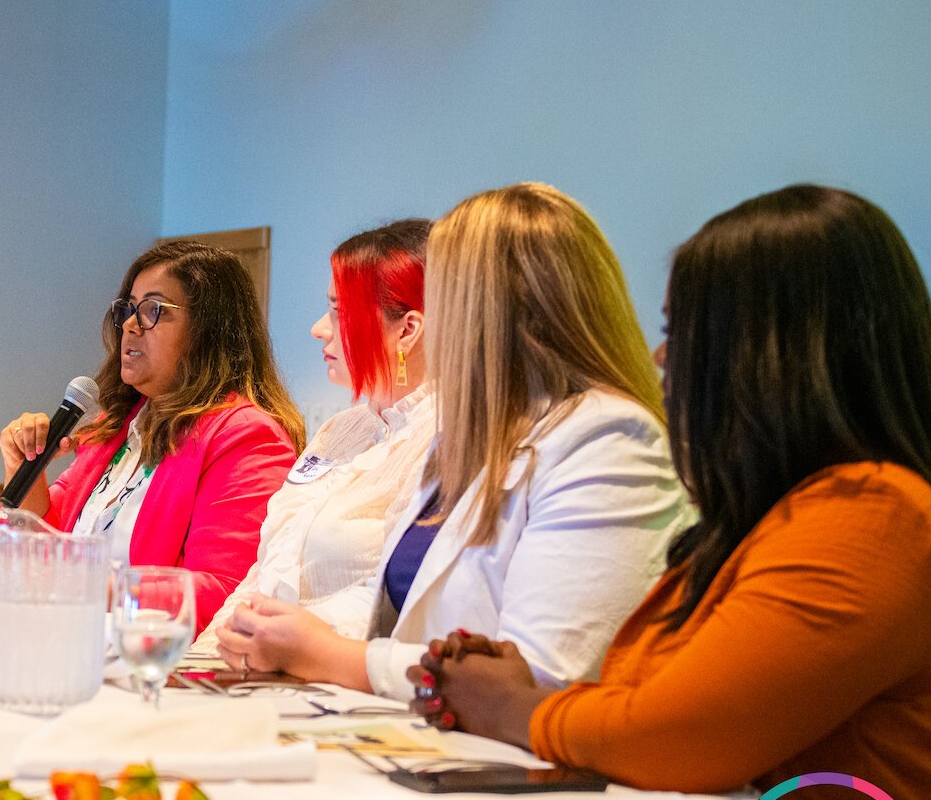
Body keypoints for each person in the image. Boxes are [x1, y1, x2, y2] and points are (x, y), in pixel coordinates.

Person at [411, 185, 931, 800]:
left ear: (767, 348)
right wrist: (527, 687)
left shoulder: (874, 517)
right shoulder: (777, 519)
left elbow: (681, 735)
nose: (658, 359)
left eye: (680, 331)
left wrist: (515, 708)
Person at [215, 183, 689, 693]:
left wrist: (323, 653)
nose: (427, 327)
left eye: (442, 301)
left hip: (506, 759)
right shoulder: (477, 432)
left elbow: (543, 679)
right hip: (411, 732)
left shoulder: (608, 437)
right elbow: (398, 612)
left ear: (493, 312)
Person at [0, 241, 303, 630]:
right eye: (127, 309)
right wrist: (21, 465)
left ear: (208, 330)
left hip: (158, 667)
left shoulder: (246, 437)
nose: (129, 324)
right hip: (70, 641)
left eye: (152, 310)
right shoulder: (119, 427)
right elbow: (49, 540)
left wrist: (91, 587)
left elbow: (226, 591)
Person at [193, 220, 436, 656]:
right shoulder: (339, 430)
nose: (319, 328)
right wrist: (203, 656)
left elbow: (393, 601)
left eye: (340, 311)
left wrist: (267, 644)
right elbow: (262, 572)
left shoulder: (441, 438)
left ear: (406, 330)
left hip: (337, 682)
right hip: (259, 667)